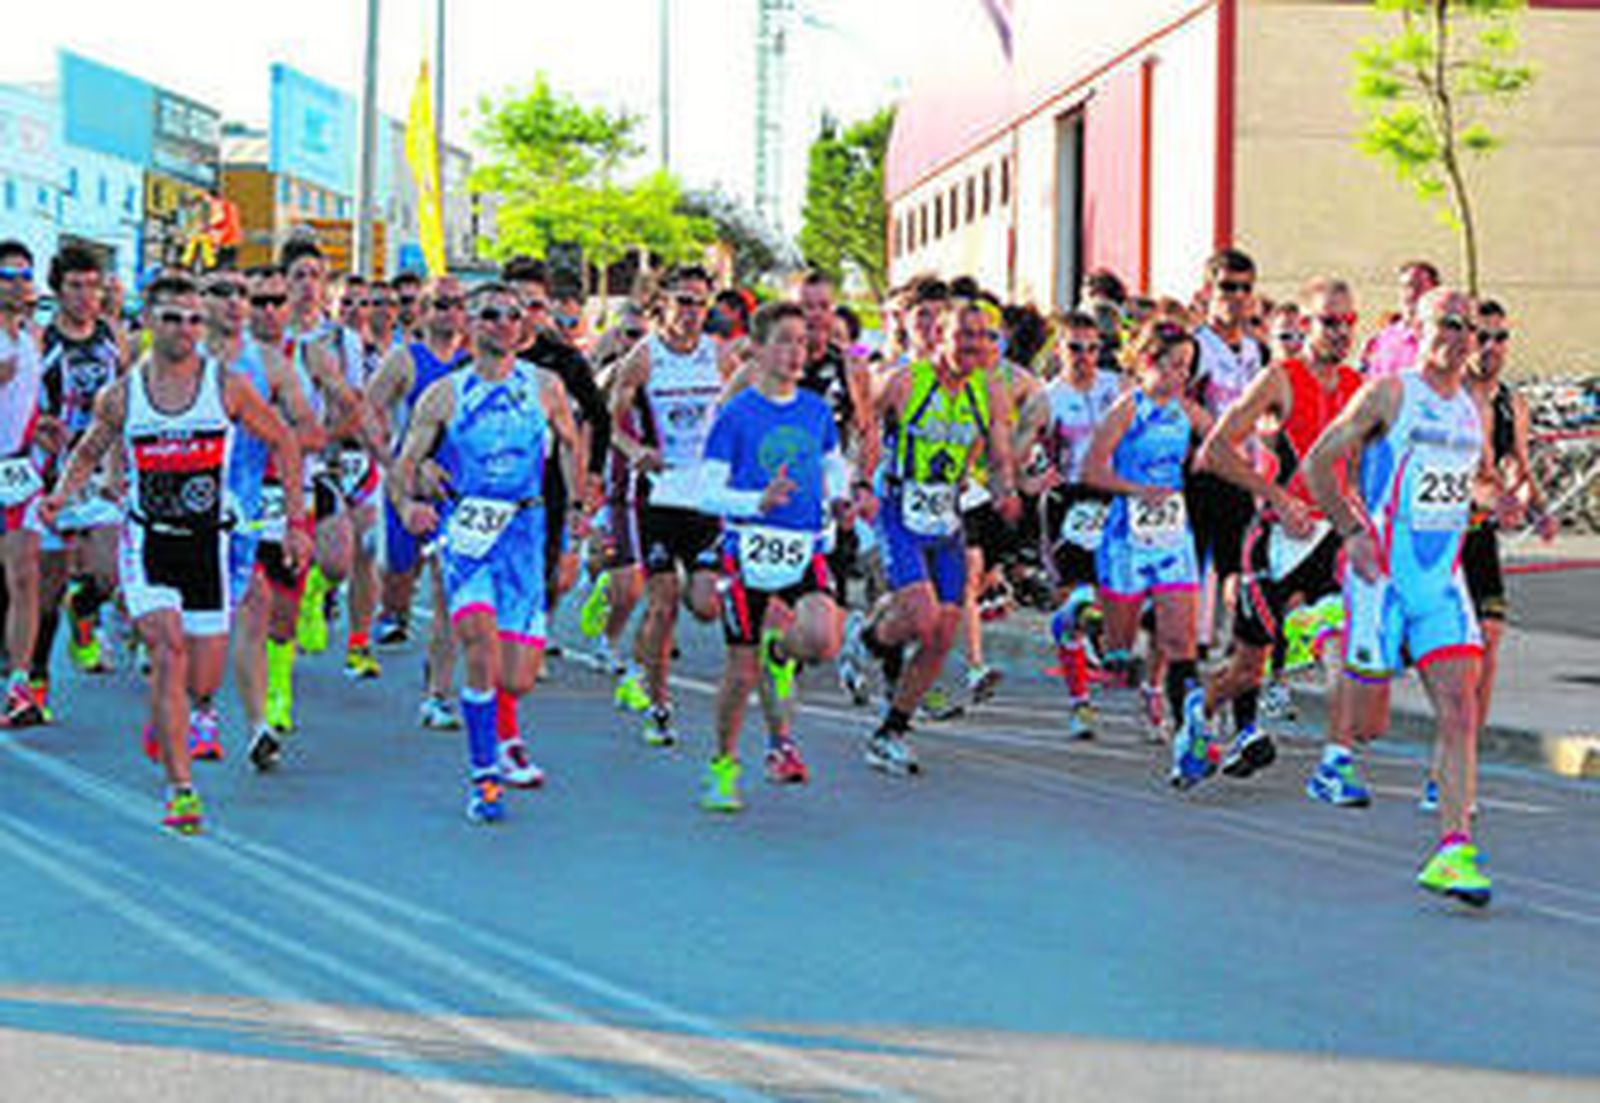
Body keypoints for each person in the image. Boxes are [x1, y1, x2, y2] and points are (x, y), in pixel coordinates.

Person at [40, 273, 309, 833]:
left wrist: (296, 523)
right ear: (147, 323)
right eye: (171, 317)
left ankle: (172, 715)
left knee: (203, 679)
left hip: (208, 543)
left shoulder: (226, 386)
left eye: (193, 318)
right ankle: (181, 788)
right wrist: (60, 497)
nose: (185, 328)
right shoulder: (122, 394)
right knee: (167, 648)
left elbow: (284, 440)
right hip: (149, 539)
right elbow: (89, 451)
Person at [1304, 287, 1495, 905]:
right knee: (1368, 725)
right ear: (1416, 328)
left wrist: (1494, 501)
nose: (1460, 336)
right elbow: (1317, 463)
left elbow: (1465, 488)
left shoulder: (1472, 407)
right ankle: (1323, 631)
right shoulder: (1390, 393)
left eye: (1469, 327)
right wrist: (1353, 531)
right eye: (1447, 323)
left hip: (1440, 581)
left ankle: (1453, 850)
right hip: (1379, 577)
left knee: (1461, 709)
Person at [390, 283, 581, 820]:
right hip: (469, 531)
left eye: (511, 316)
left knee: (517, 677)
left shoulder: (545, 386)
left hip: (525, 528)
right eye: (489, 315)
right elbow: (405, 462)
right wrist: (408, 505)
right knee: (477, 641)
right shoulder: (445, 394)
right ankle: (484, 780)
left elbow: (570, 443)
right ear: (471, 325)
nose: (501, 323)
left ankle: (500, 733)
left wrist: (575, 519)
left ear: (523, 327)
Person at [1195, 277, 1366, 782]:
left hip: (1328, 539)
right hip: (1273, 539)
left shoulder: (1359, 388)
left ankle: (1335, 762)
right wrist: (1276, 497)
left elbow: (1356, 467)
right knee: (1248, 668)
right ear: (1306, 325)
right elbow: (1215, 451)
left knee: (1339, 641)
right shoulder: (1279, 378)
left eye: (1349, 322)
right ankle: (1195, 710)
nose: (1340, 332)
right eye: (1329, 322)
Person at [840, 295, 1019, 776]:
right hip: (900, 506)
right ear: (940, 335)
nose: (974, 345)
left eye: (983, 337)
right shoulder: (907, 381)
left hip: (947, 515)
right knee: (919, 616)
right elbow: (868, 430)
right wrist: (860, 483)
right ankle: (868, 639)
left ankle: (890, 731)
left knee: (941, 635)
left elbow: (1000, 456)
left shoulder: (990, 391)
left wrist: (1005, 489)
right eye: (964, 335)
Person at [698, 301, 849, 811]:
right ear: (758, 349)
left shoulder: (815, 408)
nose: (796, 351)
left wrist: (847, 495)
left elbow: (832, 464)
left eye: (803, 342)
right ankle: (724, 765)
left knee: (824, 639)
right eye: (784, 340)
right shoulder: (735, 415)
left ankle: (779, 654)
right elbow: (708, 493)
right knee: (739, 674)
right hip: (747, 551)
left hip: (804, 545)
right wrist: (754, 503)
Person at [1418, 299, 1557, 809]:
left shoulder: (1510, 404)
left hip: (1480, 539)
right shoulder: (1449, 399)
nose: (1492, 348)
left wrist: (1537, 507)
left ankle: (1454, 763)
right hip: (1438, 539)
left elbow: (1517, 460)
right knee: (1448, 661)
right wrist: (1491, 491)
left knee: (1488, 647)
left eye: (1501, 338)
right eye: (1484, 336)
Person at [1083, 319, 1214, 786]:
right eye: (1174, 365)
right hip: (1127, 538)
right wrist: (1139, 489)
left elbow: (1223, 440)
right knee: (1117, 651)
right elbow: (1092, 470)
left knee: (1181, 643)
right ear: (1146, 362)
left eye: (1187, 367)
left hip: (1173, 537)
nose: (1181, 375)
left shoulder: (1186, 410)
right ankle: (1082, 620)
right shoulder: (1127, 409)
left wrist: (1233, 454)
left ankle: (1188, 741)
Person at [606, 265, 731, 747]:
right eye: (682, 301)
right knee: (663, 603)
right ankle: (658, 706)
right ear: (663, 305)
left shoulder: (718, 358)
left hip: (703, 496)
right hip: (656, 497)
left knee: (704, 605)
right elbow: (609, 421)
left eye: (699, 302)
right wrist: (635, 450)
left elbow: (737, 413)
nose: (691, 312)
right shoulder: (643, 357)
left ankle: (642, 662)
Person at [203, 266, 318, 769]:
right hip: (182, 512)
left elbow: (302, 433)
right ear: (199, 301)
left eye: (241, 294)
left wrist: (294, 519)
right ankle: (201, 711)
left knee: (254, 607)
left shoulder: (270, 363)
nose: (234, 302)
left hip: (246, 507)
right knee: (197, 622)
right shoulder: (174, 360)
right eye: (220, 292)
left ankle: (256, 727)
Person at [365, 278, 469, 729]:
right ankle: (392, 611)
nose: (450, 313)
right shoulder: (405, 360)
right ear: (423, 312)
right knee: (400, 579)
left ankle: (438, 690)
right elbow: (368, 410)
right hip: (408, 485)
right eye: (441, 305)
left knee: (449, 591)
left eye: (457, 305)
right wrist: (394, 461)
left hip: (460, 492)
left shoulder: (476, 361)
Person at [1017, 310, 1121, 738]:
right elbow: (1016, 453)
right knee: (1076, 600)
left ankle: (1144, 691)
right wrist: (1029, 480)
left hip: (1112, 500)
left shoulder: (1116, 388)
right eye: (1075, 347)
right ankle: (1080, 703)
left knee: (1111, 601)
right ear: (1059, 350)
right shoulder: (1047, 397)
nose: (1085, 356)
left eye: (1093, 348)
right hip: (1066, 504)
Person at [1187, 249, 1267, 657]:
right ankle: (1189, 649)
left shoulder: (1258, 352)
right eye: (1227, 287)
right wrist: (1215, 433)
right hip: (1201, 472)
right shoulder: (1195, 347)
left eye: (1244, 288)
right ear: (1208, 290)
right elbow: (1176, 399)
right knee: (1199, 563)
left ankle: (1237, 646)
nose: (1236, 296)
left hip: (1244, 473)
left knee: (1239, 564)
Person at [0, 241, 51, 727]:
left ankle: (19, 684)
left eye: (23, 275)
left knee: (24, 575)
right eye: (7, 275)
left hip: (17, 471)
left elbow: (22, 402)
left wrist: (42, 429)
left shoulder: (31, 337)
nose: (17, 284)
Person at [1361, 260, 1440, 380]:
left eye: (1418, 287)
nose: (1411, 294)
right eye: (1405, 287)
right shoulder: (1383, 339)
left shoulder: (1444, 339)